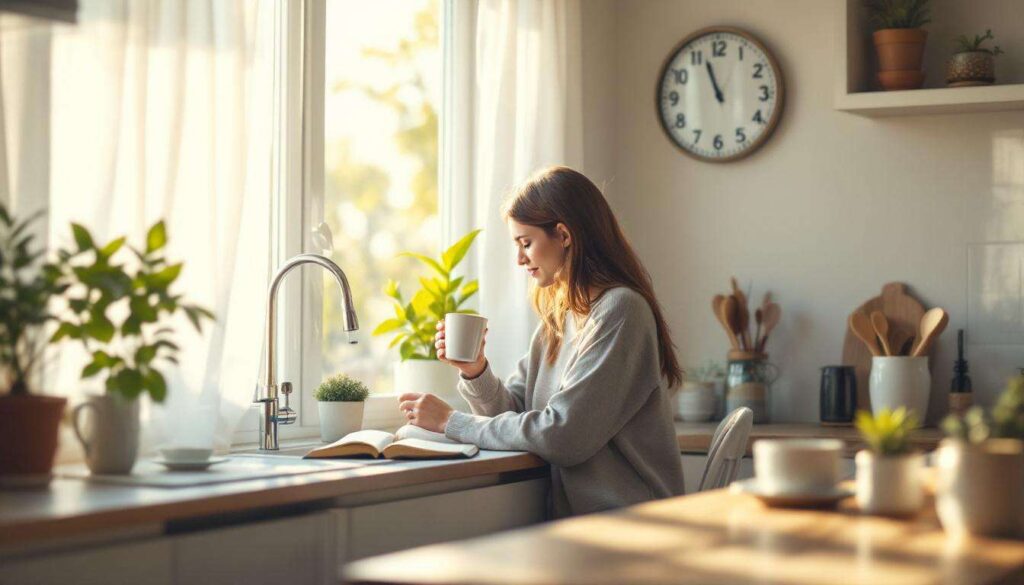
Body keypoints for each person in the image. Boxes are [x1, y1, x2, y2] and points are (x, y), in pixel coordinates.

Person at [398, 166, 685, 518]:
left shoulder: (621, 310)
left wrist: (451, 423)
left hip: (633, 523)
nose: (520, 259)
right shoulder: (560, 317)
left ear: (563, 235)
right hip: (583, 524)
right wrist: (475, 371)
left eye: (526, 243)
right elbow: (517, 414)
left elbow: (563, 436)